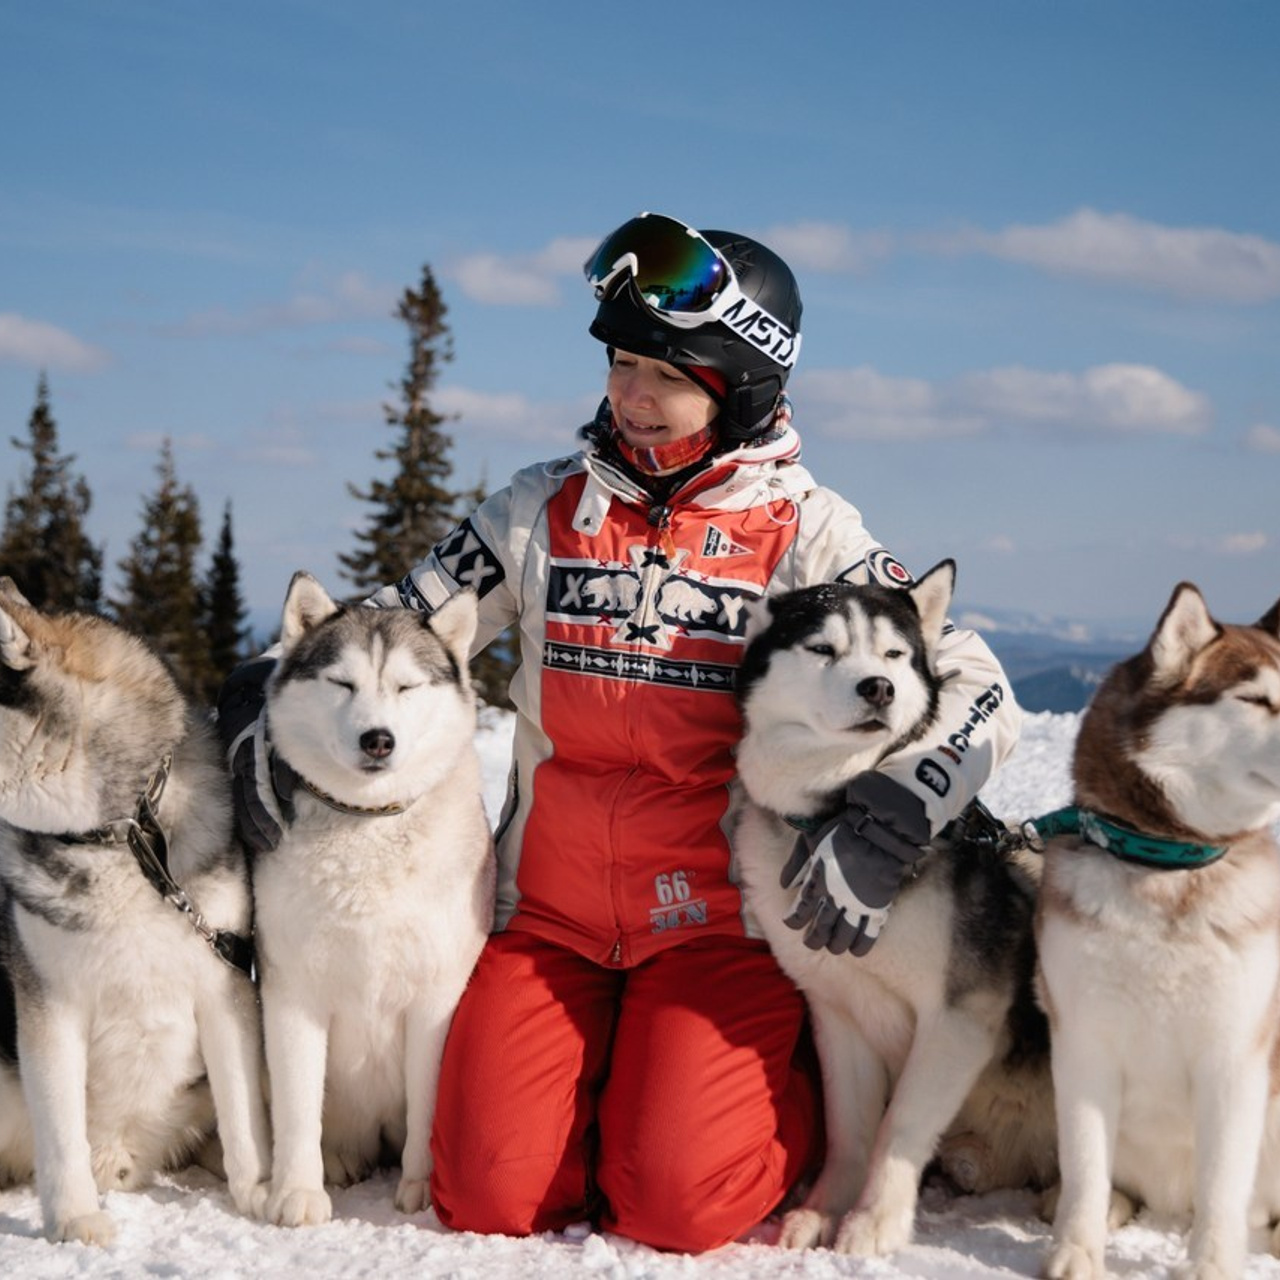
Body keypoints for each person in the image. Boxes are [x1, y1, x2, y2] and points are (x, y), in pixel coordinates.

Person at [220, 211, 1021, 1253]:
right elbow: (386, 626)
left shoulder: (806, 532)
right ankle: (619, 1099)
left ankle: (782, 1091)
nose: (631, 394)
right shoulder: (538, 511)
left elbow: (973, 681)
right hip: (548, 915)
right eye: (621, 364)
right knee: (490, 1194)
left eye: (666, 375)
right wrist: (257, 705)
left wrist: (898, 806)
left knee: (678, 1202)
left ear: (740, 386)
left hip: (717, 923)